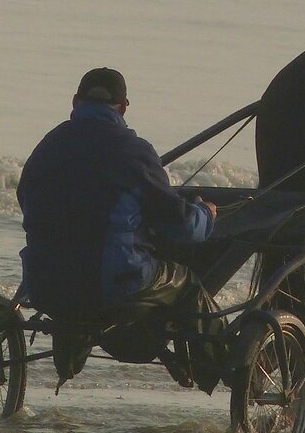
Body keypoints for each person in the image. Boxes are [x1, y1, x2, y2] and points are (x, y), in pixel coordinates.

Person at [17, 68, 222, 390]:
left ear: (74, 101)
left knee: (79, 259)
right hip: (112, 286)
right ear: (124, 106)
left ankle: (69, 352)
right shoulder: (134, 151)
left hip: (43, 284)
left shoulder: (47, 146)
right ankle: (217, 372)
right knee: (189, 285)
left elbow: (26, 202)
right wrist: (205, 214)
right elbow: (181, 228)